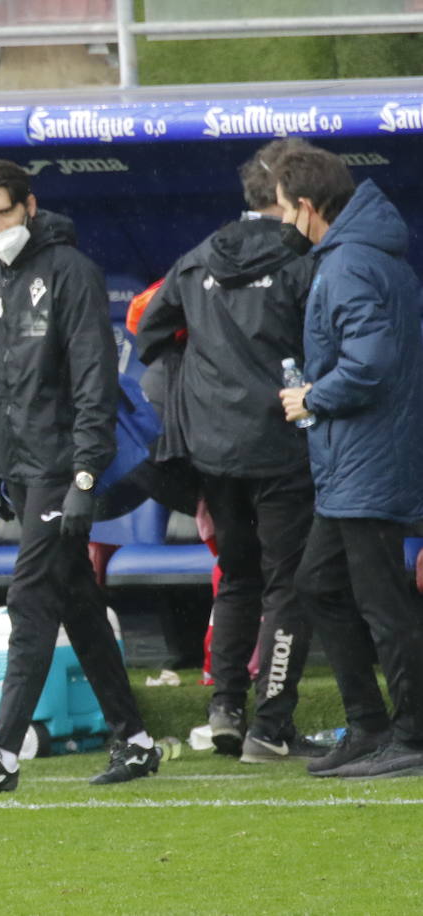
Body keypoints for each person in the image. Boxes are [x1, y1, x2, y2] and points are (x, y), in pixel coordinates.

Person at [0, 158, 160, 792]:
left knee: (30, 598)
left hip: (63, 466)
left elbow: (95, 382)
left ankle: (0, 755)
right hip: (20, 464)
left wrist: (86, 477)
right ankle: (136, 741)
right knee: (78, 603)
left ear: (29, 208)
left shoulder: (72, 272)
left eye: (6, 211)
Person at [136, 138, 326, 764]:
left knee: (238, 579)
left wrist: (198, 393)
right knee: (286, 586)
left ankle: (225, 710)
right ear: (285, 196)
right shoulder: (305, 258)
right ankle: (269, 728)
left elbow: (151, 332)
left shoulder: (198, 257)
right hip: (282, 446)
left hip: (213, 453)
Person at [274, 148, 423, 779]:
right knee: (319, 586)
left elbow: (371, 364)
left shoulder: (350, 265)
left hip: (369, 463)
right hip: (355, 465)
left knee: (384, 605)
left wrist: (311, 395)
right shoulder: (359, 257)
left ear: (308, 208)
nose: (282, 221)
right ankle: (369, 725)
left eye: (283, 208)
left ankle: (411, 735)